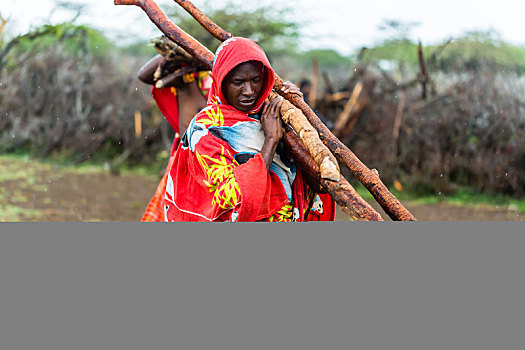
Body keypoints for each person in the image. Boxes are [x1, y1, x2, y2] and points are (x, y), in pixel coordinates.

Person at [164, 37, 335, 222]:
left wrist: (297, 113)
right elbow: (233, 198)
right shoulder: (206, 130)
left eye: (255, 80)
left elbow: (318, 183)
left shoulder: (273, 114)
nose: (249, 91)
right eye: (238, 82)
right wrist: (270, 141)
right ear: (221, 82)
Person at [137, 51, 213, 222]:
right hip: (183, 161)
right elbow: (144, 75)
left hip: (210, 165)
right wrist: (172, 52)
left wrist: (196, 64)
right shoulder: (177, 84)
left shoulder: (209, 84)